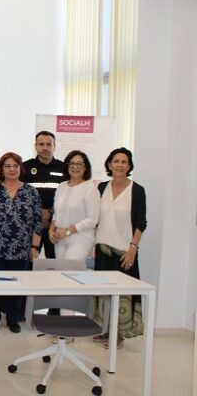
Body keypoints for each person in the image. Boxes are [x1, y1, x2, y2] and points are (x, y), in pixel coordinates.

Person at [93, 147, 146, 348]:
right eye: (116, 161)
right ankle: (106, 330)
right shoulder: (101, 188)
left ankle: (119, 334)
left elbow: (141, 223)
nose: (120, 165)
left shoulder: (137, 190)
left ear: (129, 166)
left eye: (124, 162)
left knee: (123, 296)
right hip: (103, 250)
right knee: (105, 295)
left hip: (125, 252)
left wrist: (133, 248)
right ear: (109, 164)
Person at [0, 152, 42, 333]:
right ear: (1, 169)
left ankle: (12, 318)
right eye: (7, 166)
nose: (11, 169)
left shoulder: (31, 192)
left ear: (20, 168)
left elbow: (38, 221)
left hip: (21, 248)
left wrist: (34, 246)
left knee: (16, 284)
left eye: (15, 166)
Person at [21, 131, 66, 259]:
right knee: (29, 263)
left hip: (56, 226)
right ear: (36, 146)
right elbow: (21, 196)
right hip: (31, 226)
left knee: (55, 265)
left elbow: (67, 198)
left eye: (48, 144)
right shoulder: (25, 167)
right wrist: (38, 213)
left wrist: (50, 212)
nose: (45, 148)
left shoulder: (64, 168)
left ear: (54, 146)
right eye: (41, 144)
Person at [49, 150, 100, 260]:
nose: (75, 167)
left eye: (79, 164)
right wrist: (51, 230)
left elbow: (92, 220)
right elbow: (56, 213)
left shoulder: (90, 188)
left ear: (85, 167)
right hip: (59, 237)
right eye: (72, 163)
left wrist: (67, 231)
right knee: (60, 273)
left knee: (69, 270)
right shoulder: (61, 186)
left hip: (81, 237)